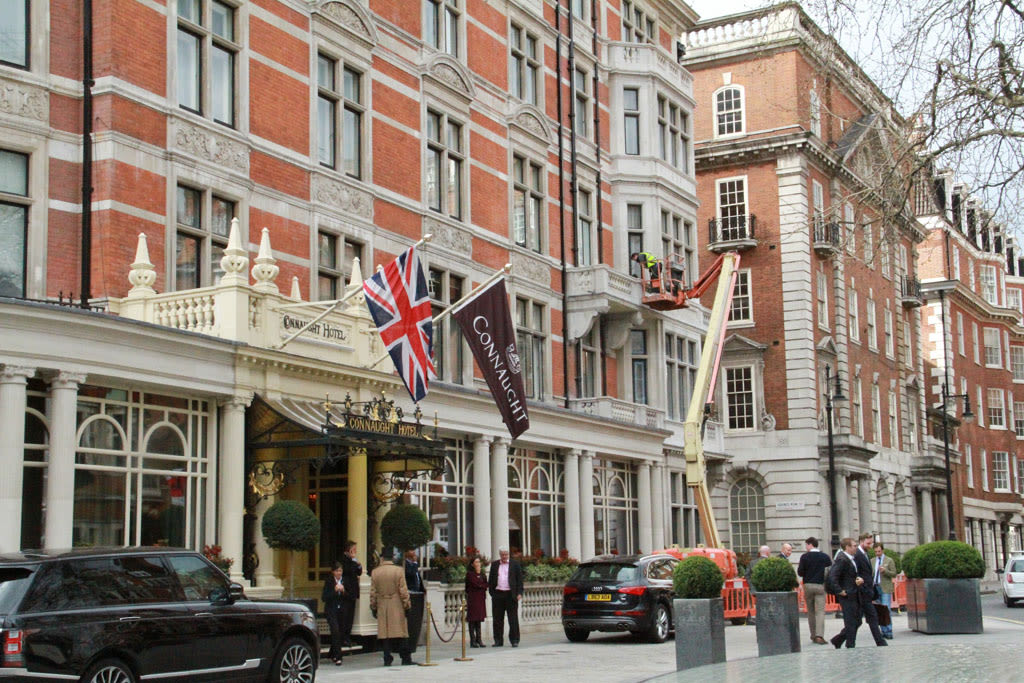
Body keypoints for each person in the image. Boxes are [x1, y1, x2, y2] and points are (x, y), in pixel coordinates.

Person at [370, 548, 414, 666]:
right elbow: (403, 591)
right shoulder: (398, 571)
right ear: (392, 558)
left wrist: (373, 606)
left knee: (385, 633)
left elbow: (373, 592)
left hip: (382, 603)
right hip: (396, 603)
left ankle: (387, 657)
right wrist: (407, 605)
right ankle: (405, 657)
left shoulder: (375, 572)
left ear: (382, 558)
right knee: (402, 632)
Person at [853, 532, 887, 646]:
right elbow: (856, 573)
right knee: (860, 620)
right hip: (862, 592)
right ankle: (880, 641)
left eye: (871, 543)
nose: (870, 545)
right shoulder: (857, 554)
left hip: (867, 592)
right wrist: (863, 588)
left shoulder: (865, 554)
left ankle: (880, 641)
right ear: (861, 542)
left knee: (869, 618)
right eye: (868, 543)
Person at [797, 536, 832, 645]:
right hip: (820, 585)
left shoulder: (804, 557)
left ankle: (813, 634)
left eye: (806, 545)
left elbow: (800, 572)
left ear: (810, 544)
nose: (806, 547)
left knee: (811, 611)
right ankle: (819, 635)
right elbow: (830, 570)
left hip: (807, 585)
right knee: (820, 611)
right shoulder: (825, 557)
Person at [830, 537, 863, 648]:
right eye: (854, 546)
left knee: (857, 620)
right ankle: (850, 644)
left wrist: (857, 580)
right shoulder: (842, 559)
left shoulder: (851, 559)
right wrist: (839, 591)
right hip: (847, 595)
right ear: (847, 547)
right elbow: (833, 576)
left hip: (854, 593)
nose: (856, 548)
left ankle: (838, 640)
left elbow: (849, 576)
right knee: (851, 622)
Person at [488, 547, 524, 647]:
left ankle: (514, 640)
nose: (504, 556)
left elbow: (520, 580)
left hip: (510, 595)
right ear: (500, 555)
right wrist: (492, 593)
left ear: (508, 554)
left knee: (513, 619)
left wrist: (519, 593)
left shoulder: (515, 564)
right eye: (502, 554)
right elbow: (491, 580)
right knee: (497, 619)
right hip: (498, 594)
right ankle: (498, 640)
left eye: (506, 554)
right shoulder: (494, 565)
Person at [321, 561, 346, 666]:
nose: (339, 573)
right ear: (333, 572)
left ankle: (332, 653)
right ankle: (338, 657)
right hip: (331, 610)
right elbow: (324, 597)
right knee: (335, 631)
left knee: (340, 632)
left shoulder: (345, 581)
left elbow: (351, 596)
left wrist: (344, 591)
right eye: (337, 571)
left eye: (340, 571)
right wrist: (334, 591)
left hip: (341, 611)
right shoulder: (329, 582)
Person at [339, 540, 362, 647]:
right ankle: (344, 637)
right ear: (349, 550)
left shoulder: (352, 561)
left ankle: (347, 636)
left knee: (350, 616)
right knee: (345, 616)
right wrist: (354, 561)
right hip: (346, 592)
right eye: (354, 549)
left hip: (352, 592)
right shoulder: (344, 560)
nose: (355, 551)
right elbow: (349, 570)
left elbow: (359, 572)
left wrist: (358, 564)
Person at [873, 542, 897, 640]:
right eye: (875, 552)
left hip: (885, 587)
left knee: (886, 609)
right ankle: (883, 630)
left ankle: (889, 630)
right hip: (876, 587)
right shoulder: (872, 561)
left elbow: (894, 573)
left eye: (879, 551)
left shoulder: (889, 560)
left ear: (882, 550)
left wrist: (885, 571)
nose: (877, 553)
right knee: (880, 610)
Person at [464, 555, 489, 648]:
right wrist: (482, 585)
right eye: (476, 562)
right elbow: (476, 584)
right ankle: (473, 640)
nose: (478, 564)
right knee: (472, 620)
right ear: (472, 564)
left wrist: (482, 585)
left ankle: (479, 639)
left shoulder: (482, 574)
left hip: (481, 599)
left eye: (479, 562)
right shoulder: (470, 574)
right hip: (473, 599)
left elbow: (486, 584)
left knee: (478, 620)